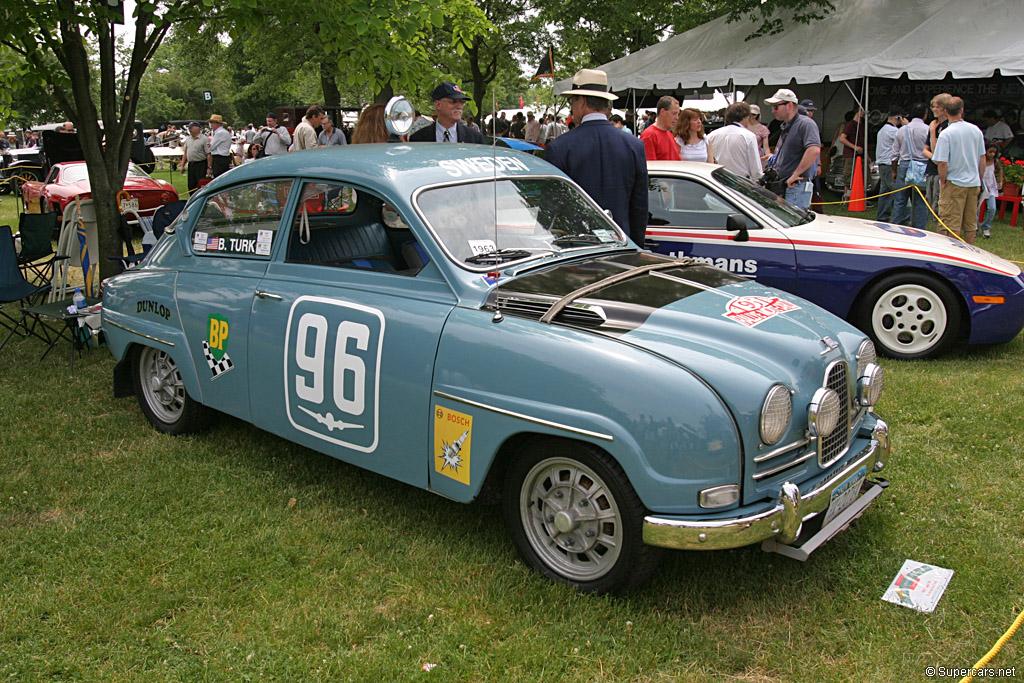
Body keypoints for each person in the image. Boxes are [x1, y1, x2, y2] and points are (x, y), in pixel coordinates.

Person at [544, 68, 649, 245]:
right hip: (621, 243)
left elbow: (549, 209)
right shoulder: (634, 145)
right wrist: (635, 246)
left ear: (582, 101)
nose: (571, 108)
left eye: (572, 102)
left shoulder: (559, 147)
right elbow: (639, 207)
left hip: (575, 249)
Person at [933, 96, 986, 245]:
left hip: (954, 182)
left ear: (945, 111)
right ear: (962, 111)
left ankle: (953, 255)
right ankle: (969, 252)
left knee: (951, 222)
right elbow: (982, 159)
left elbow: (942, 162)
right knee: (970, 223)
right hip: (973, 182)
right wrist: (979, 179)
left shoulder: (946, 134)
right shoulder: (976, 130)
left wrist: (943, 181)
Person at [764, 88, 820, 210]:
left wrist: (795, 174)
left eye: (775, 107)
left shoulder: (805, 124)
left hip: (796, 187)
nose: (773, 111)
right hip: (786, 186)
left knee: (793, 225)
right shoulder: (787, 126)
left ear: (789, 105)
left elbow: (814, 150)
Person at [891, 102, 930, 230]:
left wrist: (894, 171)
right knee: (920, 201)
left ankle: (895, 226)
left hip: (904, 165)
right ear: (925, 115)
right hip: (922, 166)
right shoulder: (928, 130)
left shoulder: (902, 130)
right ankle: (919, 229)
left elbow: (894, 154)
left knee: (900, 199)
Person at [408, 82, 485, 143]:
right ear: (438, 105)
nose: (460, 107)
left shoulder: (475, 138)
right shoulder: (418, 139)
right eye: (453, 102)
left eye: (462, 102)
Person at [706, 102, 762, 180]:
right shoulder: (748, 136)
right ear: (745, 117)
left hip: (717, 183)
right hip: (741, 182)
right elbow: (755, 168)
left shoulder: (712, 135)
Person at [923, 93, 952, 220]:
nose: (934, 109)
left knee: (938, 204)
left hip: (940, 171)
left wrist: (933, 132)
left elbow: (937, 153)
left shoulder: (946, 127)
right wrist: (933, 156)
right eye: (933, 107)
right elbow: (925, 150)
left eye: (937, 107)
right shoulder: (934, 124)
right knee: (930, 200)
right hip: (931, 170)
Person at [874, 105, 903, 222]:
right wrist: (906, 126)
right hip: (889, 164)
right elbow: (905, 139)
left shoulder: (882, 130)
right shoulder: (894, 131)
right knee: (898, 193)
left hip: (882, 164)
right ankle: (901, 219)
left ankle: (882, 217)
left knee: (885, 192)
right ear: (898, 117)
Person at [640, 96, 681, 161]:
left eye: (678, 114)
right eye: (674, 113)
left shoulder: (669, 135)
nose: (677, 118)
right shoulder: (649, 135)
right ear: (662, 112)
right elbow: (651, 167)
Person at [839, 107, 867, 198]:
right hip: (850, 155)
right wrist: (855, 147)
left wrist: (867, 156)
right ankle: (846, 198)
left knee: (860, 176)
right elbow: (842, 138)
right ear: (857, 112)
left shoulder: (862, 125)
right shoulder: (850, 125)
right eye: (862, 111)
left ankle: (858, 197)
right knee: (848, 177)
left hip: (860, 155)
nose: (864, 113)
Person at [978, 145, 1002, 239]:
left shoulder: (995, 161)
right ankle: (974, 228)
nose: (992, 154)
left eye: (994, 152)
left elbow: (1000, 170)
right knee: (976, 210)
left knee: (992, 208)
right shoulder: (980, 160)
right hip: (981, 186)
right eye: (990, 152)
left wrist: (1001, 181)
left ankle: (986, 227)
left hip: (991, 188)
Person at [179, 122, 208, 193]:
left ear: (197, 128)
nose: (189, 129)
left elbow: (208, 154)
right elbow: (186, 153)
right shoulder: (188, 140)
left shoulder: (204, 139)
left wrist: (209, 167)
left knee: (200, 184)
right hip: (191, 165)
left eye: (191, 128)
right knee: (191, 185)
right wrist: (182, 165)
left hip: (201, 164)